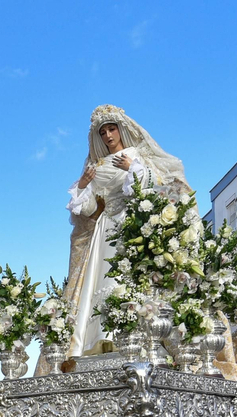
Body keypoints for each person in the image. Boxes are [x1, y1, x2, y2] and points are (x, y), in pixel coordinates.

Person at [64, 104, 194, 356]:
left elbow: (155, 189)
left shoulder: (136, 157)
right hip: (105, 229)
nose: (108, 136)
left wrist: (133, 169)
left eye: (112, 129)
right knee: (102, 279)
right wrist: (83, 186)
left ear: (121, 129)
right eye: (103, 133)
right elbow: (89, 208)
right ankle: (102, 339)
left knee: (126, 277)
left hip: (131, 224)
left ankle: (138, 336)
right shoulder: (97, 165)